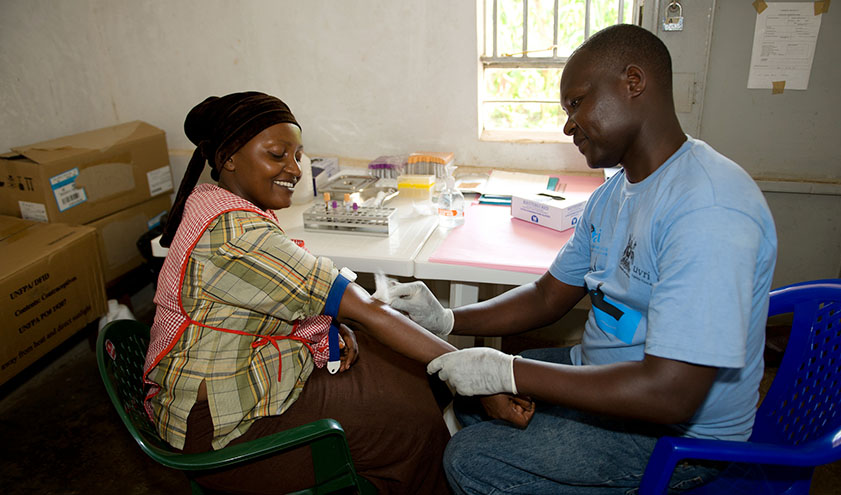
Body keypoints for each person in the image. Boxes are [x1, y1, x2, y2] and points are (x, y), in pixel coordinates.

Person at [387, 24, 778, 494]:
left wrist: (510, 369)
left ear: (633, 83)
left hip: (677, 433)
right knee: (471, 394)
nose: (568, 125)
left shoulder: (708, 210)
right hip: (601, 372)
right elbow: (549, 295)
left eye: (576, 103)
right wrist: (448, 319)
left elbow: (671, 395)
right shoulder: (617, 191)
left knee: (473, 460)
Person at [143, 91, 459, 494]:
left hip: (236, 387)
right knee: (413, 426)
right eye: (278, 155)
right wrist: (482, 374)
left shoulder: (214, 203)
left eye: (298, 155)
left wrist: (325, 323)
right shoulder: (235, 235)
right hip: (220, 427)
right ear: (229, 159)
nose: (294, 169)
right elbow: (363, 309)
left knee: (405, 369)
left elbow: (281, 297)